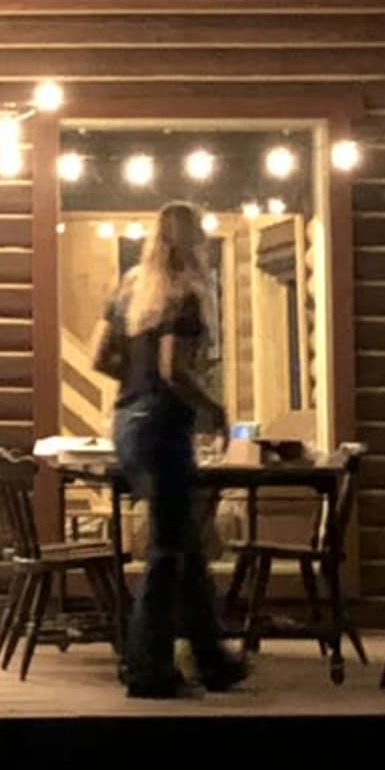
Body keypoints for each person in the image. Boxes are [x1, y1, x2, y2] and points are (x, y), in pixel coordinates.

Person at [96, 201, 243, 697]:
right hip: (164, 426)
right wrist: (214, 408)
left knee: (182, 543)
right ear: (194, 241)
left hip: (128, 421)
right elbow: (173, 368)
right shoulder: (186, 294)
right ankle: (146, 669)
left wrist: (135, 387)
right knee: (166, 551)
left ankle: (212, 659)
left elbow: (101, 356)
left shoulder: (131, 287)